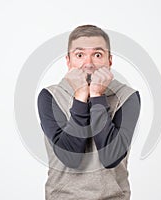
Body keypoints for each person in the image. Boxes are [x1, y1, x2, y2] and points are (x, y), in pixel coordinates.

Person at [37, 25, 141, 200]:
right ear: (68, 61)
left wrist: (97, 96)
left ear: (110, 61)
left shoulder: (127, 97)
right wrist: (80, 97)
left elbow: (110, 157)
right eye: (80, 55)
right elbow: (71, 158)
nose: (89, 64)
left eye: (97, 55)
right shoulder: (50, 96)